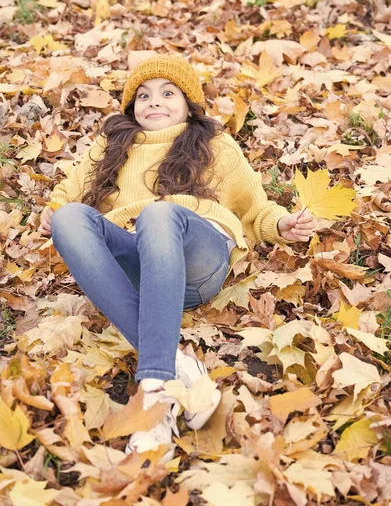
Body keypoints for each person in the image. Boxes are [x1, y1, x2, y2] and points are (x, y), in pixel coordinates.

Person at [38, 54, 315, 462]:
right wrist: (54, 210)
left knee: (161, 212)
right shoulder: (111, 146)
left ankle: (154, 394)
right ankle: (179, 368)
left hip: (197, 259)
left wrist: (282, 225)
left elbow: (255, 208)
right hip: (137, 266)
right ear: (131, 106)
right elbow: (69, 192)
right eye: (144, 95)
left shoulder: (213, 144)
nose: (155, 102)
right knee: (70, 219)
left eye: (169, 93)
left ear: (189, 105)